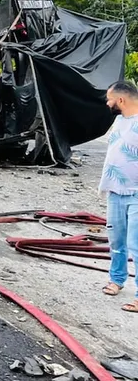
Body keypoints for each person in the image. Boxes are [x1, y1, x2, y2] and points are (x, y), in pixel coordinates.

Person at [100, 80, 138, 312]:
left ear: (121, 100)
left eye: (110, 98)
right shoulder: (119, 121)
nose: (108, 102)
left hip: (136, 193)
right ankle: (116, 280)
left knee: (136, 244)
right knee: (116, 240)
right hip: (115, 191)